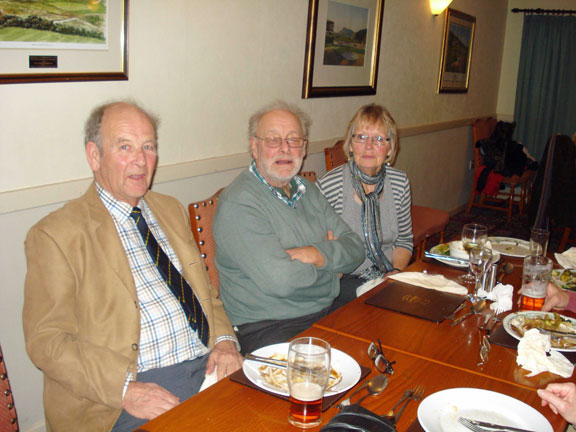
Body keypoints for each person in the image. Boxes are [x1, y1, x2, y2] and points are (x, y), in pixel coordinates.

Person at [23, 101, 243, 432]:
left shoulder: (168, 209)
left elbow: (205, 294)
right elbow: (47, 341)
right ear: (94, 156)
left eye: (148, 146)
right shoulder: (55, 235)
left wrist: (225, 340)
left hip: (208, 365)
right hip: (126, 394)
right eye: (125, 146)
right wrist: (125, 389)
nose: (140, 160)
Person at [213, 101, 365, 355]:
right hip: (268, 325)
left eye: (294, 140)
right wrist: (332, 273)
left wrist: (315, 254)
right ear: (255, 146)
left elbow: (355, 248)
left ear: (304, 147)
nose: (285, 148)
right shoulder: (239, 203)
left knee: (387, 337)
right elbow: (282, 281)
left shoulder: (308, 190)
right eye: (273, 140)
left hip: (323, 309)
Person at [316, 104, 413, 295]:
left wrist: (396, 272)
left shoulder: (399, 182)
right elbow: (320, 250)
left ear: (390, 149)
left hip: (387, 275)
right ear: (350, 145)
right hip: (343, 280)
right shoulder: (330, 186)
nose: (369, 146)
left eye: (378, 139)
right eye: (361, 137)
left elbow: (404, 240)